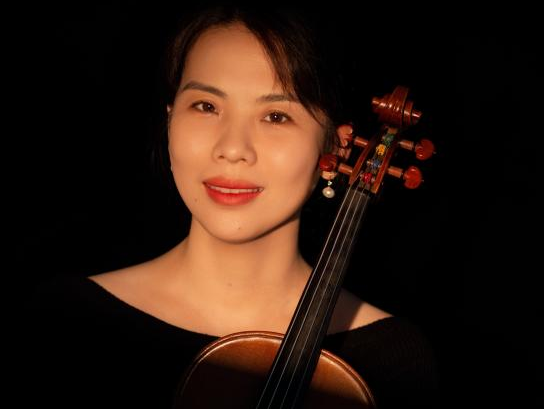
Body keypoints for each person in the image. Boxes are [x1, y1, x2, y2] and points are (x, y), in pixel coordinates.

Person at [20, 4, 439, 408]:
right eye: (206, 107)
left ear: (338, 145)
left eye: (276, 116)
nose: (233, 149)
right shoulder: (70, 320)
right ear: (170, 120)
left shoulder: (390, 363)